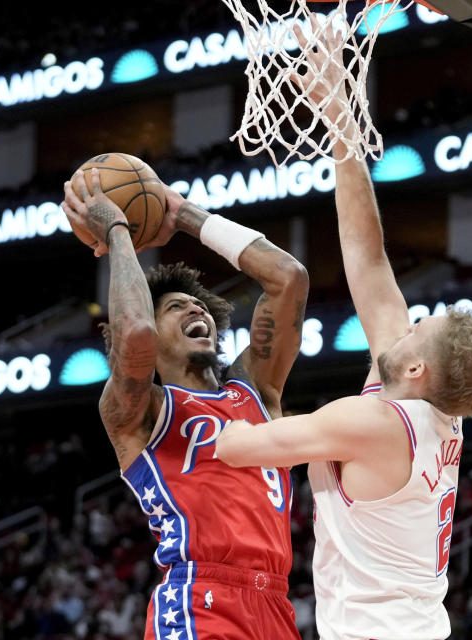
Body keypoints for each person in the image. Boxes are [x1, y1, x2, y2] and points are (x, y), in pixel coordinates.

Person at [215, 26, 472, 640]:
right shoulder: (425, 406)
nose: (412, 318)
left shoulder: (374, 421)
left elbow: (236, 449)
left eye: (421, 325)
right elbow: (368, 261)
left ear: (418, 366)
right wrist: (341, 123)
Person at [60, 166, 309, 640]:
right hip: (200, 600)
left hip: (277, 605)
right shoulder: (138, 411)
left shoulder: (255, 390)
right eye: (175, 307)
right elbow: (135, 334)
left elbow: (288, 279)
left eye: (198, 308)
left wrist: (183, 214)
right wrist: (118, 232)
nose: (196, 309)